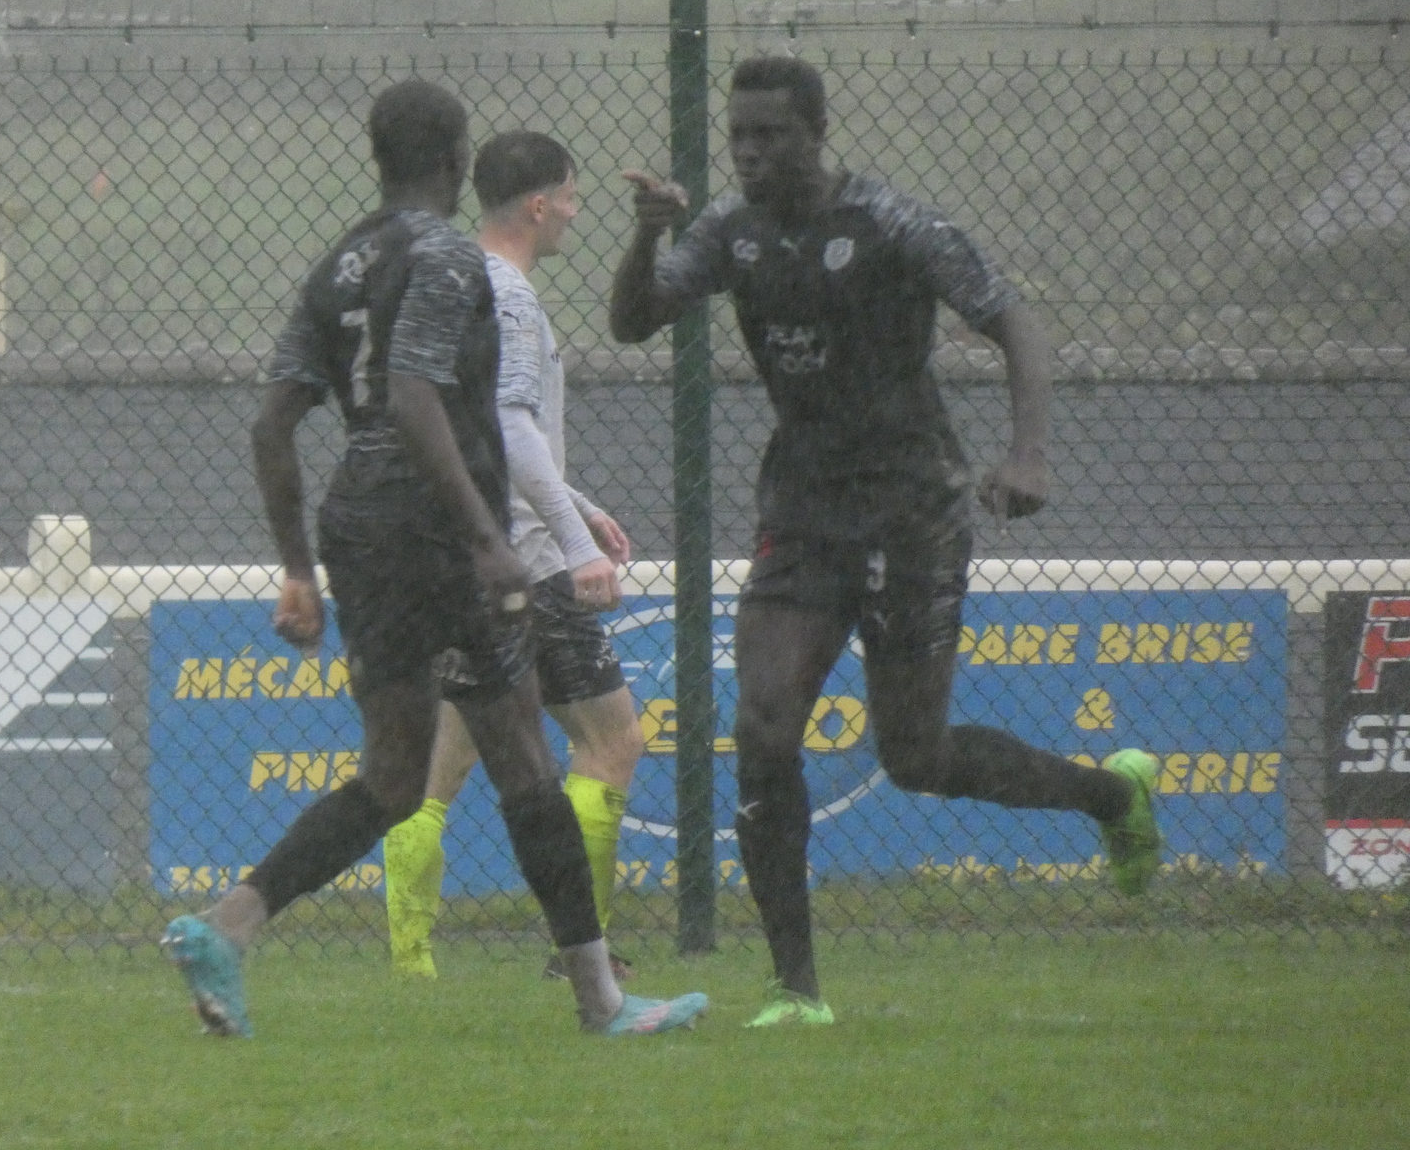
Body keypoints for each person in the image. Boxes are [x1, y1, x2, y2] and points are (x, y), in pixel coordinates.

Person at [608, 56, 1162, 1029]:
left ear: (816, 132)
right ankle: (796, 991)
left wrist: (1027, 454)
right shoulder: (728, 233)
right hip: (802, 514)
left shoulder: (893, 225)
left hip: (913, 511)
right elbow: (633, 322)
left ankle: (1111, 799)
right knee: (764, 724)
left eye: (768, 135)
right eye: (738, 135)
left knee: (914, 756)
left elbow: (1015, 324)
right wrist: (647, 233)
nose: (747, 152)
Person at [160, 80, 707, 1039]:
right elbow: (417, 396)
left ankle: (228, 927)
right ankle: (603, 1004)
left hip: (356, 528)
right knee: (530, 763)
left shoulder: (337, 265)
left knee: (393, 777)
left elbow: (273, 425)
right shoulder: (451, 257)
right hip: (436, 531)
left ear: (379, 159)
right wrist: (489, 541)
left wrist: (297, 568)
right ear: (457, 161)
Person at [383, 130, 646, 983]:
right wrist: (576, 546)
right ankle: (584, 950)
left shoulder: (453, 282)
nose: (576, 210)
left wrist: (584, 504)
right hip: (528, 562)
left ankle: (410, 956)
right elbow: (513, 427)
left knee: (445, 759)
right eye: (571, 195)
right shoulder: (512, 297)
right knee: (611, 741)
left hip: (468, 556)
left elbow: (484, 429)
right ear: (538, 205)